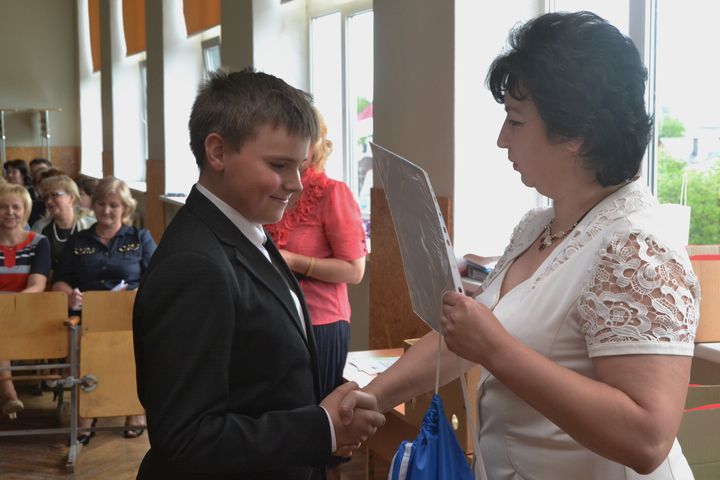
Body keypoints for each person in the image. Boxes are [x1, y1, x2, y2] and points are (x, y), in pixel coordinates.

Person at [345, 12, 700, 479]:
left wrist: (497, 351)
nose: (501, 139)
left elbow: (647, 437)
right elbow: (466, 336)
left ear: (576, 135)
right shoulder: (538, 226)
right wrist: (373, 396)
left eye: (515, 121)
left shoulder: (636, 249)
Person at [132, 68, 385, 479]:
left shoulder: (249, 231)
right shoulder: (194, 266)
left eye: (300, 166)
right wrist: (320, 429)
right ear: (218, 152)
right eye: (279, 165)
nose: (296, 184)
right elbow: (186, 437)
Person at [265, 107, 366, 401]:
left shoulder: (333, 193)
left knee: (315, 410)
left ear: (317, 144)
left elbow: (354, 270)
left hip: (320, 324)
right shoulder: (274, 191)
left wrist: (294, 261)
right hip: (276, 317)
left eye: (303, 139)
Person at [52, 175, 156, 444]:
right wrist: (70, 295)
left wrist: (140, 293)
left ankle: (135, 410)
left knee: (137, 348)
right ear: (93, 205)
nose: (106, 210)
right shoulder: (79, 241)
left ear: (125, 208)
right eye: (101, 204)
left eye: (114, 205)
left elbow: (159, 277)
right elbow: (59, 280)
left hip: (131, 315)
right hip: (88, 315)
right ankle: (88, 412)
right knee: (86, 348)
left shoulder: (140, 238)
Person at [0, 183, 51, 419]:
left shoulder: (39, 242)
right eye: (3, 207)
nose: (9, 212)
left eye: (15, 207)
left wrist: (11, 306)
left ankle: (8, 393)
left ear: (25, 211)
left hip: (26, 311)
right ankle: (9, 392)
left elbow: (37, 285)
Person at [32, 175, 96, 273]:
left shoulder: (91, 225)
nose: (49, 201)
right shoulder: (39, 227)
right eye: (45, 197)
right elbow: (35, 263)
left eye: (54, 195)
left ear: (71, 197)